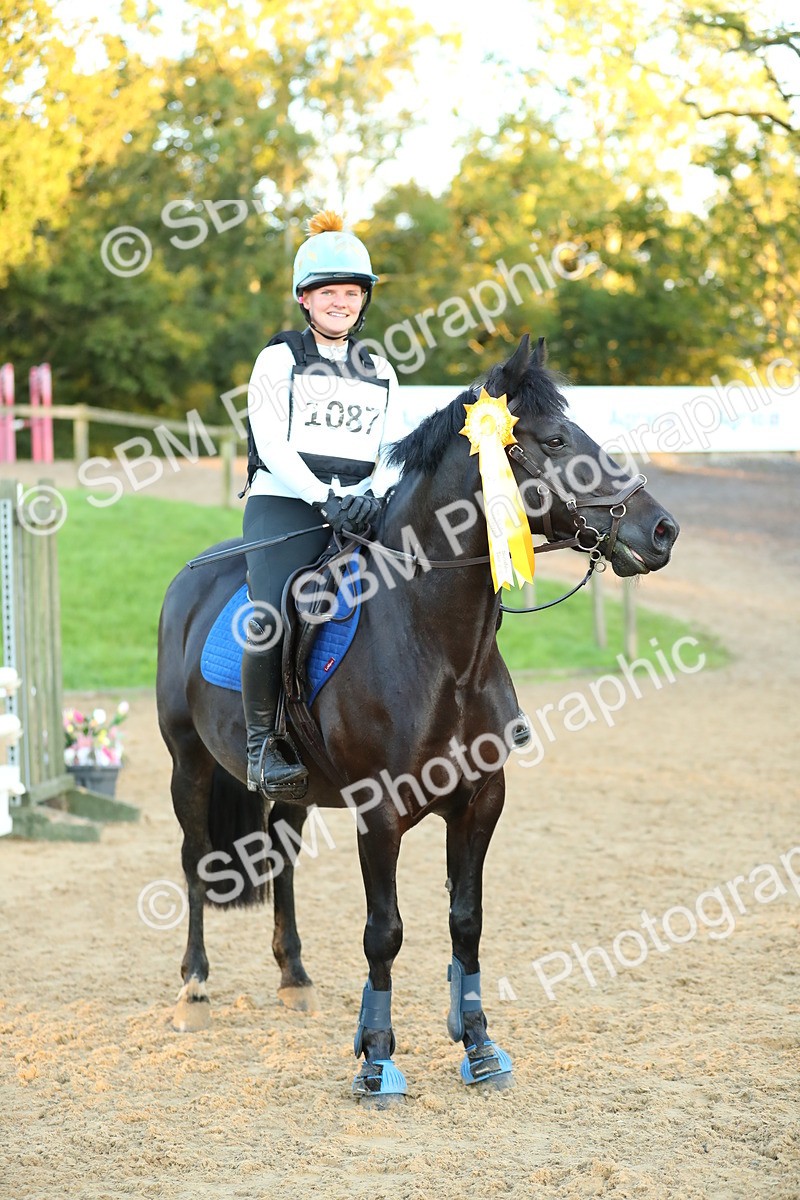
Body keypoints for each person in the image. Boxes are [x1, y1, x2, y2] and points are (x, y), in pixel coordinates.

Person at [241, 210, 402, 799]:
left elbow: (390, 446)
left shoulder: (380, 368)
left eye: (351, 293)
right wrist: (324, 497)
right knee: (272, 614)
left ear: (363, 302)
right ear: (305, 300)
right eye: (328, 292)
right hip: (287, 505)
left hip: (360, 510)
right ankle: (263, 744)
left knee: (431, 583)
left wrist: (369, 496)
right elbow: (273, 444)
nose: (341, 302)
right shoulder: (277, 359)